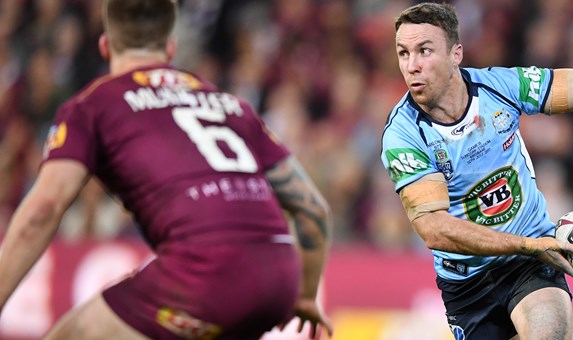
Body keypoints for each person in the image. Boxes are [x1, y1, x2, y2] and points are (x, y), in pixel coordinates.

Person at [0, 0, 333, 339]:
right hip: (279, 277)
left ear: (105, 45)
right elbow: (313, 209)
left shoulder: (93, 105)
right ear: (171, 48)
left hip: (204, 275)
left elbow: (44, 209)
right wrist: (305, 296)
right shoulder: (233, 106)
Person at [380, 3, 573, 339]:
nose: (412, 65)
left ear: (456, 54)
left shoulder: (499, 87)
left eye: (424, 51)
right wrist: (525, 244)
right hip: (468, 285)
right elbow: (434, 229)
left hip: (530, 265)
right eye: (403, 53)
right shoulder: (403, 135)